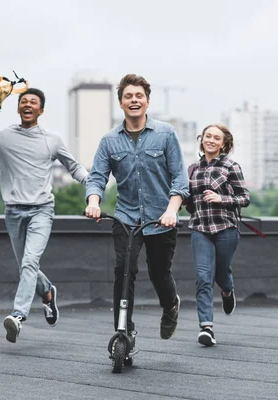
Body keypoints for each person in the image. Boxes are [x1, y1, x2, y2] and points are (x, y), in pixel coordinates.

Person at [0, 88, 88, 343]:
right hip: (13, 212)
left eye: (33, 102)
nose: (28, 105)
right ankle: (48, 293)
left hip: (42, 210)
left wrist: (92, 189)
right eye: (24, 101)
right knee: (26, 266)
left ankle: (18, 316)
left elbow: (73, 167)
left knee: (29, 263)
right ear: (18, 108)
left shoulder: (52, 139)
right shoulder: (4, 137)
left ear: (41, 110)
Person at [84, 73, 189, 350]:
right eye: (128, 96)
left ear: (147, 101)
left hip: (161, 216)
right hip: (126, 217)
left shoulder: (165, 134)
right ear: (121, 103)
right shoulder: (109, 141)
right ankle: (124, 330)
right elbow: (97, 177)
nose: (134, 100)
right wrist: (94, 202)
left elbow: (180, 178)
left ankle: (170, 306)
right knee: (124, 271)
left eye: (139, 96)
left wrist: (171, 210)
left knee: (159, 273)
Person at [184, 124, 250, 347]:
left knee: (221, 272)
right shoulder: (192, 169)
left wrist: (222, 199)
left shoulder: (231, 166)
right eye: (207, 136)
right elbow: (187, 199)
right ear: (202, 139)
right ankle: (206, 328)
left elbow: (244, 198)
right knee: (203, 276)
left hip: (225, 229)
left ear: (224, 143)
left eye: (216, 137)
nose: (211, 140)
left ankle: (228, 290)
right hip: (200, 228)